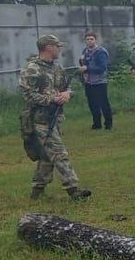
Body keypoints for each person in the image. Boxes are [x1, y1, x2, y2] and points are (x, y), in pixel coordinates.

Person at [19, 34, 91, 200]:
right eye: (57, 46)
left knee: (47, 155)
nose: (59, 50)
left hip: (55, 117)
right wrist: (51, 99)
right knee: (59, 153)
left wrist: (68, 94)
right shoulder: (32, 69)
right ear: (49, 47)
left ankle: (37, 191)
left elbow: (66, 87)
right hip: (39, 120)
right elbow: (28, 95)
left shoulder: (57, 68)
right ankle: (73, 189)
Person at [78, 30, 113, 130]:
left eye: (91, 39)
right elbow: (82, 62)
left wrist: (87, 69)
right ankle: (97, 124)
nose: (89, 41)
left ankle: (108, 124)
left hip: (100, 82)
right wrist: (82, 68)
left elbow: (102, 68)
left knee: (103, 103)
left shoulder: (101, 52)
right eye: (87, 39)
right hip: (88, 82)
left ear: (95, 40)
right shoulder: (85, 51)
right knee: (92, 104)